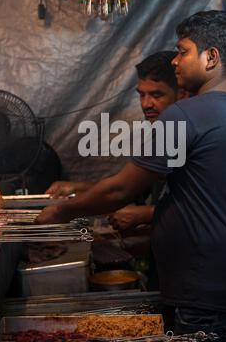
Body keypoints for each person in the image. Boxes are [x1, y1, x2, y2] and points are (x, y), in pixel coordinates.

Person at [37, 11, 226, 342]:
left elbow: (120, 189)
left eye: (183, 51)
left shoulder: (185, 114)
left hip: (206, 297)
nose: (176, 62)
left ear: (211, 58)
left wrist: (61, 211)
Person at [47, 51, 181, 230]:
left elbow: (120, 192)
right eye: (142, 95)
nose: (146, 104)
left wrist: (147, 213)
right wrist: (79, 188)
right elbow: (134, 186)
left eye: (157, 95)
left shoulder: (184, 131)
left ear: (182, 93)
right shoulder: (163, 130)